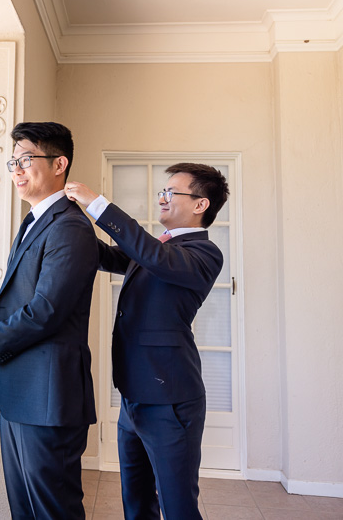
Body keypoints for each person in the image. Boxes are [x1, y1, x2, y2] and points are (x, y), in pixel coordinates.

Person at [65, 163, 229, 520]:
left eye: (171, 193)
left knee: (178, 507)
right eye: (162, 192)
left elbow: (153, 257)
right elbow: (108, 255)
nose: (162, 199)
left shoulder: (203, 254)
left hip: (170, 402)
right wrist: (66, 225)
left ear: (200, 204)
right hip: (133, 397)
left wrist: (97, 204)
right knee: (136, 504)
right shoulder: (158, 249)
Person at [0, 122, 98, 519]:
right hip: (21, 393)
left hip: (50, 398)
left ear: (59, 164)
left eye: (26, 159)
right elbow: (11, 302)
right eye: (12, 161)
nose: (16, 169)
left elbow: (45, 311)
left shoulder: (70, 227)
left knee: (53, 512)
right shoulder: (34, 222)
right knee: (25, 512)